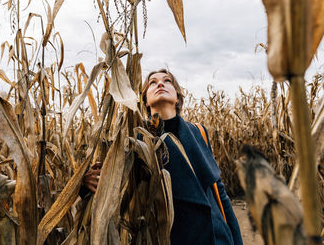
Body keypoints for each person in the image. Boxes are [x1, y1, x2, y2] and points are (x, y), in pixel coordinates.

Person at [83, 69, 243, 244]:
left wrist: (236, 239)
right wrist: (88, 184)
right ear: (145, 101)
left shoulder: (199, 132)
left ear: (177, 97)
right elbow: (116, 193)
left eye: (167, 81)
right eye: (152, 82)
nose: (160, 83)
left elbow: (219, 192)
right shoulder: (136, 141)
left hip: (218, 237)